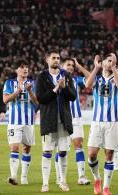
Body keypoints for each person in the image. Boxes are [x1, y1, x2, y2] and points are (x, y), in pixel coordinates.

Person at [35, 50, 76, 192]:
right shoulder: (42, 77)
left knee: (63, 152)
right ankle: (45, 183)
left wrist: (64, 88)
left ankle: (63, 181)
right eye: (53, 58)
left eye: (58, 58)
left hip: (64, 120)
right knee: (47, 151)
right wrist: (56, 89)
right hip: (48, 120)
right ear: (47, 60)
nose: (56, 60)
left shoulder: (67, 75)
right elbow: (41, 98)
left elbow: (73, 97)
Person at [85, 53, 118, 195]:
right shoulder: (97, 78)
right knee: (92, 154)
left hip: (112, 122)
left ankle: (106, 188)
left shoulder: (117, 78)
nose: (111, 62)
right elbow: (88, 85)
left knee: (109, 154)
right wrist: (96, 68)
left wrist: (114, 68)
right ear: (103, 62)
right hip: (97, 122)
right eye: (109, 60)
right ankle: (97, 178)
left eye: (113, 61)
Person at [54, 58, 90, 185]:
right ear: (62, 65)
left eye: (72, 65)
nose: (71, 67)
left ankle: (81, 176)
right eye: (68, 64)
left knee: (79, 145)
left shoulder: (75, 80)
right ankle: (59, 177)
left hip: (76, 117)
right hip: (61, 118)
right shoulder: (53, 78)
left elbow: (91, 79)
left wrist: (80, 66)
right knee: (61, 150)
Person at [3, 59, 38, 185]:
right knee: (14, 147)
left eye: (27, 67)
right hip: (14, 121)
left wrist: (29, 91)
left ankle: (24, 176)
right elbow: (5, 100)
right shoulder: (9, 83)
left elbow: (37, 102)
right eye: (22, 67)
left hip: (28, 121)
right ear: (17, 70)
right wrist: (17, 91)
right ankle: (13, 176)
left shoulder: (33, 83)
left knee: (27, 149)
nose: (25, 69)